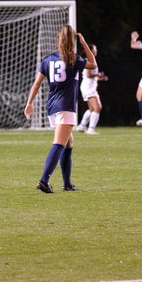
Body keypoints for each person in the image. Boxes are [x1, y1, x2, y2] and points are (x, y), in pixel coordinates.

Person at [25, 26, 96, 193]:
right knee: (58, 144)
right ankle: (44, 181)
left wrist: (29, 103)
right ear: (72, 41)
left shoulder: (48, 59)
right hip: (65, 105)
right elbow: (93, 64)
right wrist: (84, 43)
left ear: (58, 39)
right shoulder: (73, 58)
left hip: (52, 105)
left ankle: (67, 184)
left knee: (68, 143)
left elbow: (37, 83)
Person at [77, 44, 109, 135]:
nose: (96, 50)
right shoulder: (89, 59)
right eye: (95, 49)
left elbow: (90, 76)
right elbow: (88, 75)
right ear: (90, 50)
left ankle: (82, 126)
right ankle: (91, 129)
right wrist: (98, 74)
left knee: (92, 109)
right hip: (88, 87)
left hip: (87, 86)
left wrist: (100, 78)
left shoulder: (90, 59)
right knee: (97, 107)